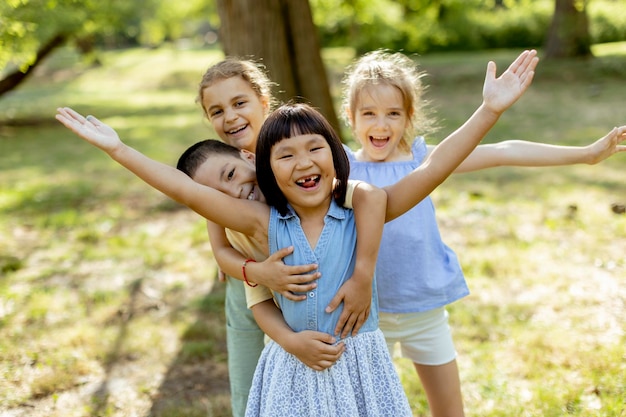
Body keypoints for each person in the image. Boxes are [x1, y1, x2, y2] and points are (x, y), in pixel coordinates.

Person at [54, 48, 538, 415]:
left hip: (362, 368)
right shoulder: (264, 221)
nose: (303, 162)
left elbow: (433, 168)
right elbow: (189, 193)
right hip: (292, 366)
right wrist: (119, 150)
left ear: (337, 157)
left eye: (315, 150)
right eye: (285, 156)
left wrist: (489, 111)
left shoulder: (360, 211)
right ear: (264, 167)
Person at [340, 49, 626, 417]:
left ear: (410, 116)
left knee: (450, 411)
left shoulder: (424, 160)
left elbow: (503, 151)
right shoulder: (341, 166)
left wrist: (585, 154)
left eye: (393, 113)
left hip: (424, 309)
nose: (381, 125)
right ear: (351, 117)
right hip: (366, 316)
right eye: (369, 114)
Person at [196, 58, 381, 416]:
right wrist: (252, 270)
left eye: (239, 103)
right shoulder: (217, 165)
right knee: (251, 386)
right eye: (216, 111)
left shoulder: (297, 153)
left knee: (313, 375)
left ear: (264, 101)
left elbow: (354, 202)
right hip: (250, 289)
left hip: (311, 286)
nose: (230, 117)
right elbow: (220, 249)